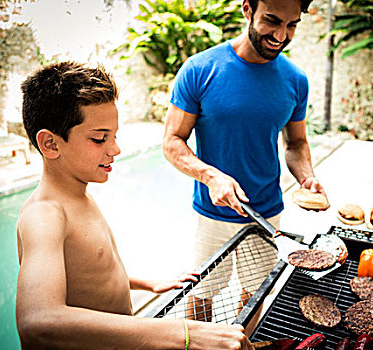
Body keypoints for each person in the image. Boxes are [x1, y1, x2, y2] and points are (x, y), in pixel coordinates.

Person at [16, 61, 250, 349]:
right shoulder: (45, 216)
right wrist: (184, 333)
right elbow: (37, 321)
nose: (115, 150)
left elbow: (88, 275)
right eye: (99, 138)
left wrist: (146, 283)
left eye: (114, 136)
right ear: (51, 144)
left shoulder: (79, 196)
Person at [163, 0, 329, 330]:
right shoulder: (199, 69)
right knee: (201, 295)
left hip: (267, 212)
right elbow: (172, 142)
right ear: (247, 9)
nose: (281, 35)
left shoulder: (296, 80)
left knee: (255, 295)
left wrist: (307, 178)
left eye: (292, 25)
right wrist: (209, 175)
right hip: (212, 214)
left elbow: (296, 144)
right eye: (272, 21)